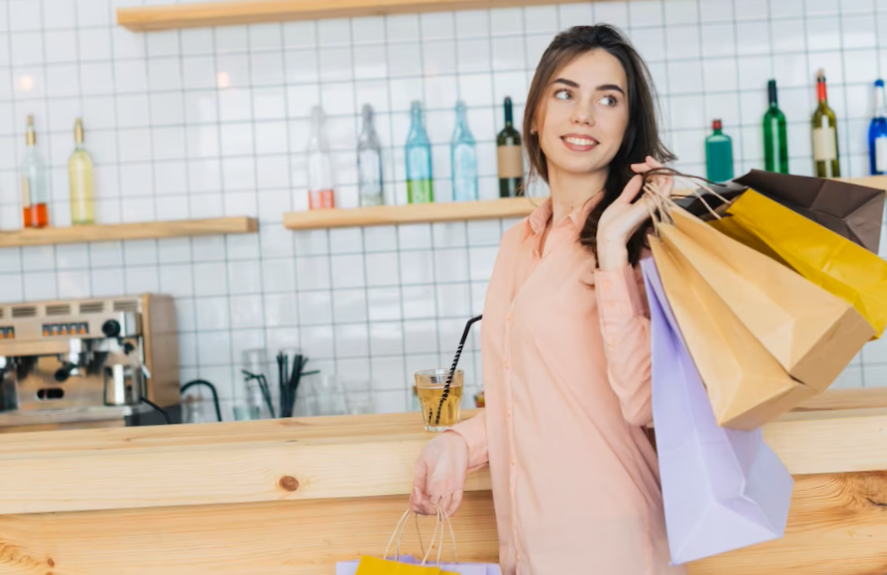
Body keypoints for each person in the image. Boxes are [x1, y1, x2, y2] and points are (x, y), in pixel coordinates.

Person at [410, 25, 685, 575]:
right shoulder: (518, 244)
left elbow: (648, 402)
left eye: (608, 99)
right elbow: (534, 396)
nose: (584, 114)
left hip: (613, 547)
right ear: (534, 117)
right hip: (529, 549)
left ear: (627, 126)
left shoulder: (646, 241)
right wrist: (459, 444)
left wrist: (610, 248)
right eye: (565, 93)